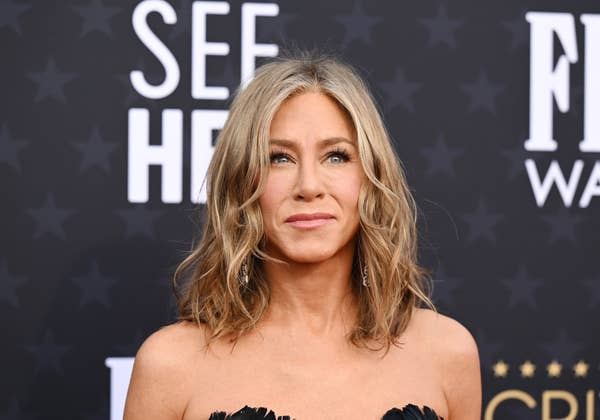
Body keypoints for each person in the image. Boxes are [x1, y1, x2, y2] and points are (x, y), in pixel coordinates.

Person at [123, 50, 482, 420]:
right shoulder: (170, 366)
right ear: (242, 181)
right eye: (279, 157)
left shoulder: (447, 354)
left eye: (336, 156)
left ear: (371, 178)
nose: (309, 186)